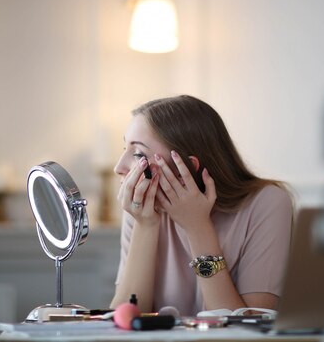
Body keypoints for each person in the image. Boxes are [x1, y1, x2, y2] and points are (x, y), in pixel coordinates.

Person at [109, 95, 293, 316]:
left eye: (138, 153)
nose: (119, 167)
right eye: (124, 148)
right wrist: (145, 225)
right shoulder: (141, 208)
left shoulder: (267, 203)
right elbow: (126, 318)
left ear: (185, 167)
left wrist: (197, 227)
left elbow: (246, 329)